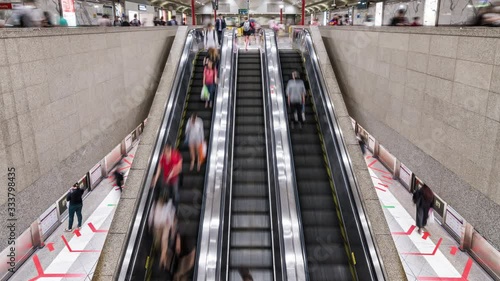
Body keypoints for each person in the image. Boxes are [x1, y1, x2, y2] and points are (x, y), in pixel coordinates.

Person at [153, 143, 183, 208]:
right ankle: (168, 202)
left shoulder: (174, 156)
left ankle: (176, 204)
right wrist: (156, 178)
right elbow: (159, 167)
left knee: (175, 191)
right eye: (164, 151)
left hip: (174, 178)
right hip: (166, 177)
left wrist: (169, 177)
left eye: (165, 151)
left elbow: (175, 169)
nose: (164, 153)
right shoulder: (163, 156)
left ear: (169, 150)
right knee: (167, 190)